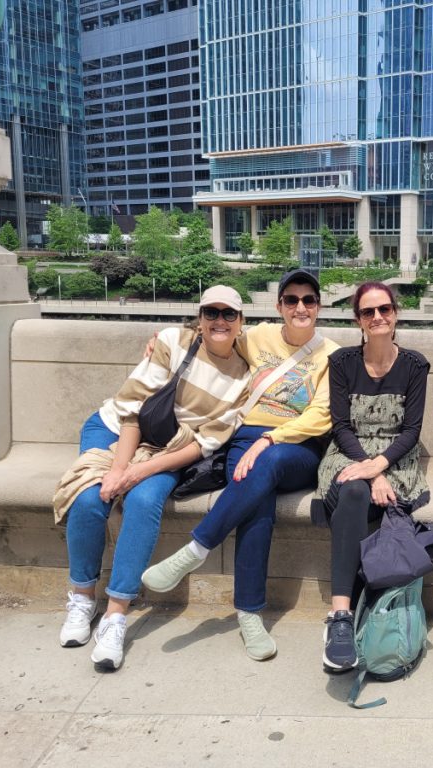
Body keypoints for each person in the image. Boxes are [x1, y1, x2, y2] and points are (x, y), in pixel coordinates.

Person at [141, 270, 338, 660]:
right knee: (256, 505)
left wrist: (271, 439)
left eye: (309, 300)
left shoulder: (332, 354)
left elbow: (321, 415)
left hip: (295, 447)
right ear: (280, 306)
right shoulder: (258, 336)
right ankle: (249, 614)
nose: (300, 307)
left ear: (318, 307)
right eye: (292, 300)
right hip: (244, 437)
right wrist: (166, 337)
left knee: (268, 462)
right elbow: (217, 333)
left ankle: (196, 549)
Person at [53, 285, 251, 671]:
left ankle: (116, 614)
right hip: (116, 429)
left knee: (144, 500)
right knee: (91, 497)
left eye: (229, 314)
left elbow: (205, 443)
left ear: (241, 322)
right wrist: (118, 471)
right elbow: (131, 410)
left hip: (171, 448)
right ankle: (82, 597)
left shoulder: (244, 377)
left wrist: (139, 472)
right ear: (199, 318)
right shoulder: (172, 342)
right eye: (211, 313)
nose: (220, 321)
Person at [312, 282, 430, 672]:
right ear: (358, 320)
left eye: (384, 309)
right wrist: (369, 469)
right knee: (354, 492)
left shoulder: (414, 365)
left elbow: (411, 430)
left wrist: (379, 467)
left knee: (358, 493)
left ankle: (342, 615)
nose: (377, 317)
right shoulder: (343, 362)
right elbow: (341, 426)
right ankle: (341, 616)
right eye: (368, 312)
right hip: (349, 453)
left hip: (396, 458)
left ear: (395, 313)